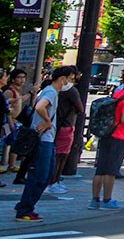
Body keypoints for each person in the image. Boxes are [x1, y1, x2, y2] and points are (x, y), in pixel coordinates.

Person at [13, 67, 74, 223]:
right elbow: (40, 107)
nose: (71, 83)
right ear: (62, 79)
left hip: (47, 140)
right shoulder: (51, 92)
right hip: (43, 140)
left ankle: (25, 206)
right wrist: (47, 121)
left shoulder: (50, 91)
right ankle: (24, 210)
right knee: (39, 176)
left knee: (46, 175)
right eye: (71, 79)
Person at [91, 69, 124, 211]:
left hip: (107, 133)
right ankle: (107, 200)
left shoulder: (117, 93)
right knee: (111, 171)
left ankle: (94, 200)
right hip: (119, 136)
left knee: (100, 170)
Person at [3, 69, 28, 174]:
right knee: (9, 143)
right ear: (13, 79)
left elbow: (20, 100)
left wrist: (31, 92)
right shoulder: (9, 92)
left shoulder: (17, 92)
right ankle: (9, 164)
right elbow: (5, 108)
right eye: (19, 77)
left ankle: (11, 165)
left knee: (13, 143)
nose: (22, 80)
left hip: (15, 121)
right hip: (10, 121)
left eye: (23, 77)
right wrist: (10, 121)